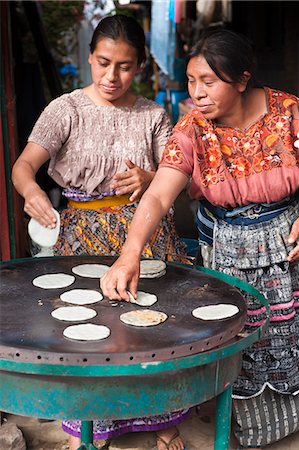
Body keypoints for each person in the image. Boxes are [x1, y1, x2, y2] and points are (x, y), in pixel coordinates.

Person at [101, 29, 299, 450]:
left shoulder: (290, 113)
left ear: (242, 80)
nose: (197, 93)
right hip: (228, 251)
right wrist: (129, 253)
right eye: (192, 81)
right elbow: (158, 193)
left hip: (290, 250)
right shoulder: (193, 128)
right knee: (239, 340)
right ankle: (244, 429)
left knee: (291, 336)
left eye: (208, 82)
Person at [12, 14, 188, 450]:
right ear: (89, 58)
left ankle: (162, 419)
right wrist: (31, 191)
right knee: (88, 329)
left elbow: (177, 175)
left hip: (145, 235)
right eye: (104, 63)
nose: (113, 76)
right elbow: (23, 167)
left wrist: (149, 178)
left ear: (140, 66)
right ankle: (89, 426)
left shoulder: (152, 115)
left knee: (152, 328)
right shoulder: (65, 109)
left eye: (125, 66)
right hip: (80, 239)